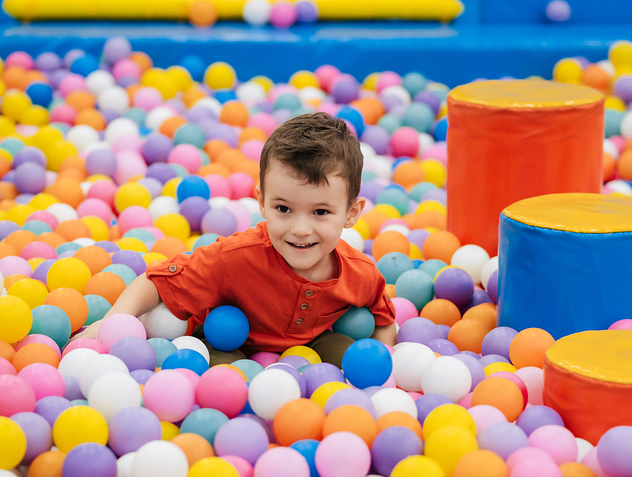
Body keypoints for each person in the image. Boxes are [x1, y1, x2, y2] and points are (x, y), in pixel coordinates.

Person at [73, 112, 396, 368]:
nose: (300, 229)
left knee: (350, 360)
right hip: (228, 343)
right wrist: (113, 321)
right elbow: (157, 280)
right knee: (228, 380)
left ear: (351, 213)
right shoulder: (235, 258)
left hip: (312, 346)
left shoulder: (359, 273)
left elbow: (383, 318)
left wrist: (387, 361)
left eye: (321, 212)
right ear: (262, 201)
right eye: (283, 208)